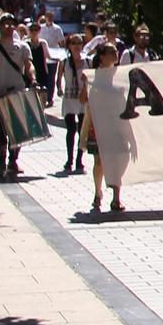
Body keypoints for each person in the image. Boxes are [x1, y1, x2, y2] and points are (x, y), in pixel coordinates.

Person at [0, 16, 37, 178]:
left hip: (17, 92)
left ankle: (13, 160)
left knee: (17, 130)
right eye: (5, 24)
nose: (9, 27)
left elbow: (28, 65)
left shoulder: (23, 47)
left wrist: (32, 78)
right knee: (1, 129)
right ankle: (1, 160)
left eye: (12, 24)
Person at [84, 43, 124, 212]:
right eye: (111, 52)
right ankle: (97, 191)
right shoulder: (93, 76)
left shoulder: (122, 74)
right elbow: (82, 99)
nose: (115, 54)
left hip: (116, 123)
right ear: (102, 56)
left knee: (116, 160)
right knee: (99, 161)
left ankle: (116, 197)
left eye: (116, 51)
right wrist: (85, 84)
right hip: (99, 123)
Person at [57, 32, 90, 172]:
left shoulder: (88, 61)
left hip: (83, 99)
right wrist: (59, 88)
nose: (77, 46)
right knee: (71, 130)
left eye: (79, 43)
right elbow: (59, 78)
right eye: (73, 43)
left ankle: (79, 160)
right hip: (69, 99)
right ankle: (69, 159)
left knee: (82, 131)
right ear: (69, 46)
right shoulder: (64, 62)